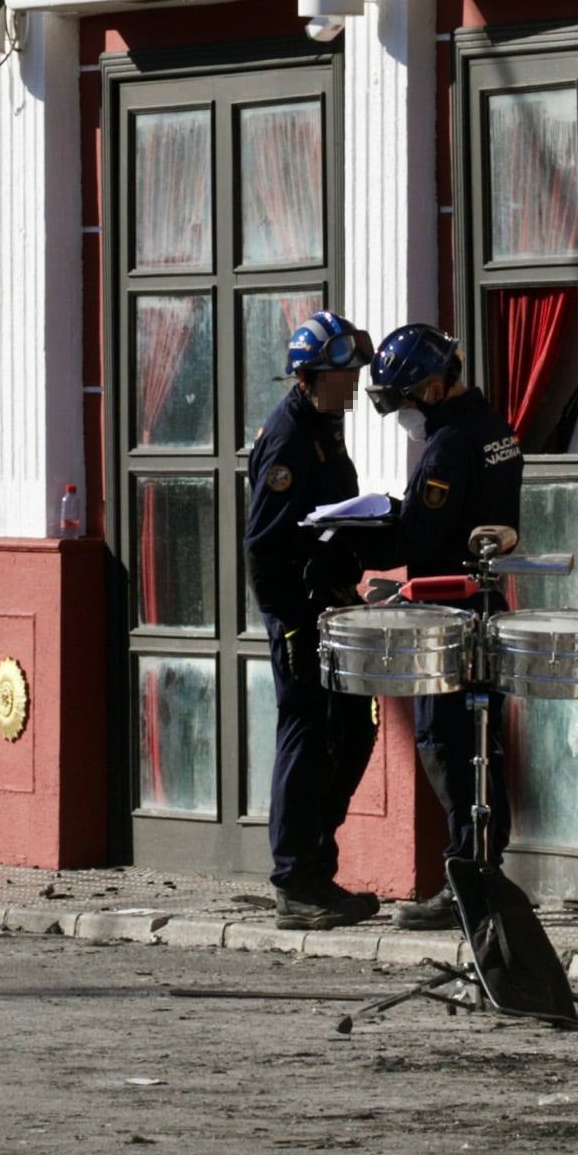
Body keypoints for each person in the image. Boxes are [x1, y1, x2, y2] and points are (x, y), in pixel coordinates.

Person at [363, 322, 523, 929]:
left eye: (403, 400)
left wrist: (372, 530)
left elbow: (424, 534)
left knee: (447, 743)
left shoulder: (449, 443)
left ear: (431, 388)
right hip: (484, 608)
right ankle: (487, 869)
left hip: (447, 610)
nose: (403, 413)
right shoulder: (495, 427)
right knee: (485, 744)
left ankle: (465, 876)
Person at [242, 310, 381, 930]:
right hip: (302, 617)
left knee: (353, 734)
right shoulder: (289, 438)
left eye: (353, 373)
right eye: (341, 374)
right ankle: (294, 878)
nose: (352, 384)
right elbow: (265, 545)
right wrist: (293, 623)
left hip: (334, 605)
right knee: (307, 738)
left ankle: (318, 871)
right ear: (308, 375)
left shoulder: (325, 427)